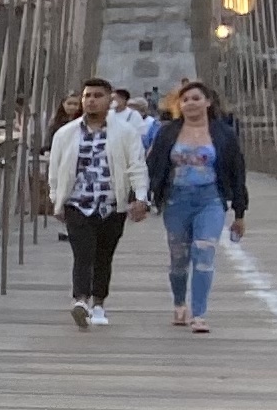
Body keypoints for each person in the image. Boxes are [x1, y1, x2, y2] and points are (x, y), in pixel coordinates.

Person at [44, 74, 148, 327]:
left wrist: (141, 197)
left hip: (112, 204)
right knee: (82, 253)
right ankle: (80, 300)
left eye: (97, 96)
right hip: (78, 202)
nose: (91, 101)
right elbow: (55, 169)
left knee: (104, 255)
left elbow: (136, 165)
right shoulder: (65, 134)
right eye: (87, 96)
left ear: (109, 100)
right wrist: (56, 199)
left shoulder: (125, 132)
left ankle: (99, 303)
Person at [153, 79, 248, 333]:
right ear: (179, 105)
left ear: (208, 102)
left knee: (204, 253)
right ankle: (179, 303)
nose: (191, 103)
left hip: (210, 200)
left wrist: (239, 212)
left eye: (196, 98)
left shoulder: (224, 134)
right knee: (179, 259)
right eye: (185, 100)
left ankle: (199, 313)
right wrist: (142, 198)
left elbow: (237, 172)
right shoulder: (167, 133)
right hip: (176, 200)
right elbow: (154, 168)